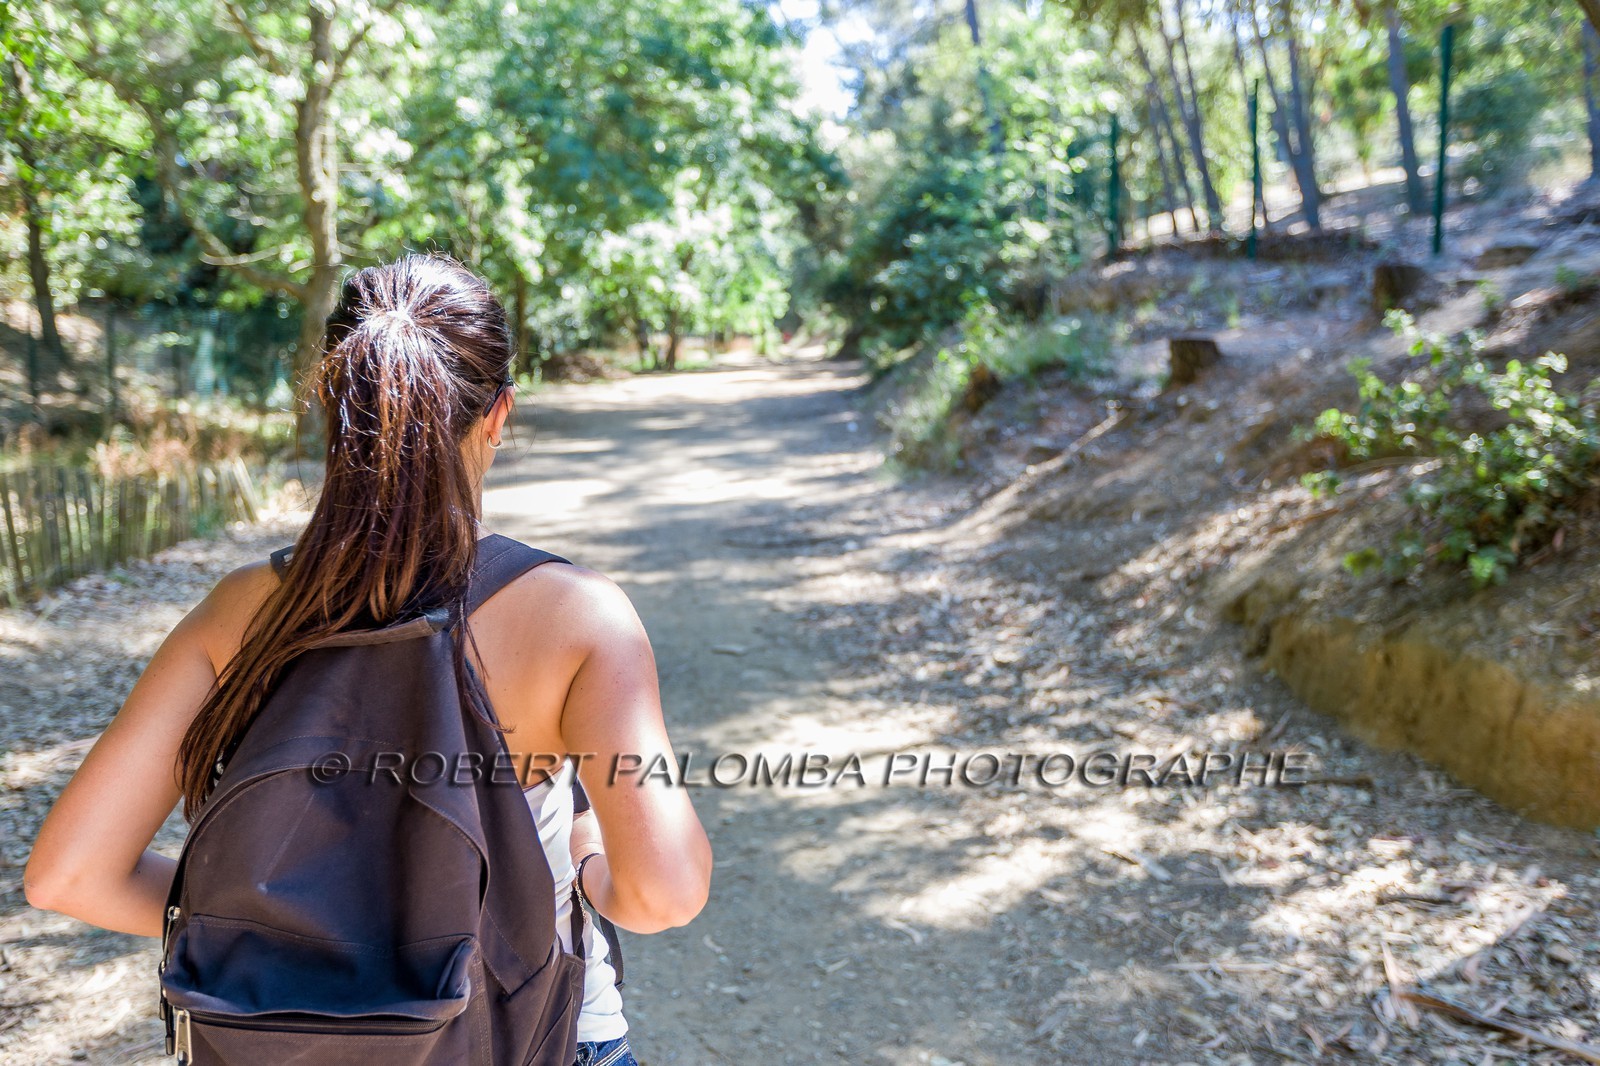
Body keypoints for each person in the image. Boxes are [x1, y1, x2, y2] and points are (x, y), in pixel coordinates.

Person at [24, 253, 713, 1066]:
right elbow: (660, 893)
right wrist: (589, 858)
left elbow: (69, 875)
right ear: (499, 415)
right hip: (531, 1041)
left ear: (331, 402)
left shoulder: (237, 611)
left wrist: (295, 931)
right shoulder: (577, 617)